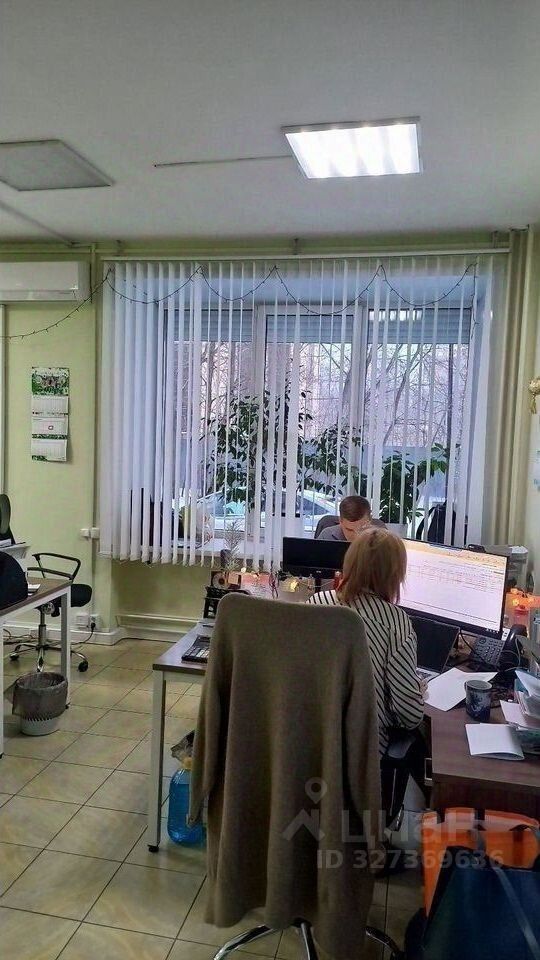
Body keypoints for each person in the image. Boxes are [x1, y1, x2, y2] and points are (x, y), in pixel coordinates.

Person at [307, 527, 425, 756]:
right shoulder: (396, 622)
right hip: (361, 754)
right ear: (395, 574)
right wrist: (415, 690)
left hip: (310, 742)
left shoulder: (316, 603)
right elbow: (410, 716)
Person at [317, 494, 383, 542]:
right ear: (340, 521)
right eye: (349, 530)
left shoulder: (381, 538)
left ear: (370, 519)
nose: (356, 536)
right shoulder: (327, 536)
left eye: (361, 529)